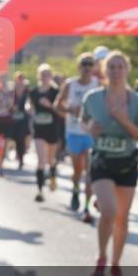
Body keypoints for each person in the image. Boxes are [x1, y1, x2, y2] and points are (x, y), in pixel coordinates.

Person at [80, 50, 138, 276]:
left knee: (121, 218)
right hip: (102, 160)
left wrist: (124, 120)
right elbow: (83, 120)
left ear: (127, 70)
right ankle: (101, 256)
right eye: (112, 67)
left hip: (127, 162)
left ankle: (116, 263)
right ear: (104, 71)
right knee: (109, 211)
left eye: (120, 67)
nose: (116, 71)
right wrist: (89, 126)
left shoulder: (137, 101)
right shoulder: (92, 98)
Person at [56, 53, 100, 221]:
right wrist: (70, 109)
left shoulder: (98, 84)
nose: (87, 67)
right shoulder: (70, 84)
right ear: (79, 66)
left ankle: (87, 207)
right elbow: (57, 105)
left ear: (94, 67)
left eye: (90, 64)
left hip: (90, 133)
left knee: (90, 171)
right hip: (73, 131)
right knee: (78, 169)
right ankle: (75, 190)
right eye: (84, 64)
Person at [28, 64, 60, 202]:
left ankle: (52, 175)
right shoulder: (34, 92)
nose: (44, 77)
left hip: (52, 128)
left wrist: (50, 106)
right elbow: (29, 104)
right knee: (41, 160)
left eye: (47, 74)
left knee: (50, 160)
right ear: (38, 76)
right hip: (39, 129)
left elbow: (60, 110)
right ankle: (40, 191)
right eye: (42, 74)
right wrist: (29, 109)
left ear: (51, 76)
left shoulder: (55, 92)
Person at [11, 72, 31, 170]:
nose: (20, 81)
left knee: (21, 138)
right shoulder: (12, 91)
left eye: (21, 79)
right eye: (18, 79)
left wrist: (28, 107)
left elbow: (30, 103)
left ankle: (21, 159)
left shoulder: (27, 91)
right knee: (11, 137)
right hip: (12, 119)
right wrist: (11, 107)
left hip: (23, 119)